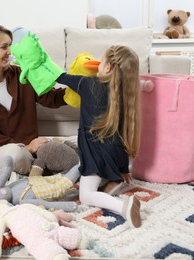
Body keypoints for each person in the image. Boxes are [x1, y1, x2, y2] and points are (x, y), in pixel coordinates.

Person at [0, 23, 67, 178]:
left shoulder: (21, 74)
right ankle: (34, 171)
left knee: (70, 145)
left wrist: (79, 89)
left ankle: (29, 173)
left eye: (10, 46)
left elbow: (49, 97)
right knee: (16, 154)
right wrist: (26, 147)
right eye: (4, 47)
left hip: (30, 152)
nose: (10, 52)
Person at [55, 45, 142, 228]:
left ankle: (124, 206)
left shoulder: (88, 84)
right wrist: (124, 168)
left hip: (94, 156)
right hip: (116, 155)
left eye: (101, 62)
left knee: (85, 195)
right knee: (101, 153)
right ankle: (113, 180)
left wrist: (35, 63)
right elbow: (122, 138)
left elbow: (60, 76)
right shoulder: (125, 96)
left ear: (108, 67)